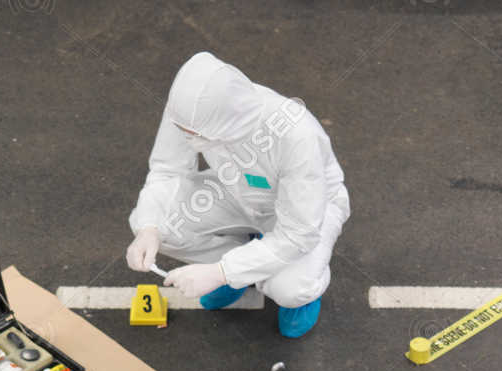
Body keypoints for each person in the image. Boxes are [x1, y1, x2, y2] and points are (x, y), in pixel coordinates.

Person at [126, 52, 350, 339]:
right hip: (235, 189)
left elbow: (298, 234)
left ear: (228, 122)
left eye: (197, 135)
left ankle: (299, 293)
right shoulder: (189, 111)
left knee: (290, 288)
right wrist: (148, 228)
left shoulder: (296, 136)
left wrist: (219, 272)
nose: (190, 140)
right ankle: (238, 269)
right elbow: (167, 170)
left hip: (307, 211)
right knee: (161, 223)